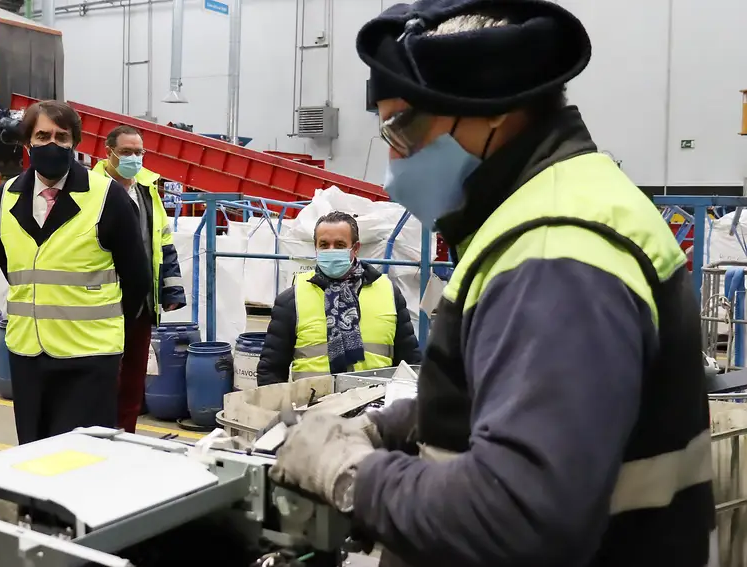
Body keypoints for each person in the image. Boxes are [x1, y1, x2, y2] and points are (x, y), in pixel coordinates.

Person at [269, 2, 716, 567]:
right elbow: (532, 397)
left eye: (401, 131)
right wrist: (405, 426)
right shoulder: (567, 202)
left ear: (490, 113)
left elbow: (519, 518)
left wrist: (354, 476)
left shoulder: (555, 254)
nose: (390, 161)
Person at [0, 100, 151, 444]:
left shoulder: (107, 197)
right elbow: (10, 265)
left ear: (75, 144)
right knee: (34, 454)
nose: (52, 144)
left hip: (89, 359)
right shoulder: (5, 196)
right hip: (27, 353)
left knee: (83, 462)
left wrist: (103, 329)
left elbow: (137, 280)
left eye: (62, 137)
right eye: (42, 135)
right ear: (27, 142)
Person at [91, 125, 186, 433]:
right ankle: (99, 437)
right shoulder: (91, 188)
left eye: (138, 152)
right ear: (109, 153)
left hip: (142, 301)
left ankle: (125, 437)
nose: (134, 158)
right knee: (104, 377)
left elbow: (163, 241)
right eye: (126, 152)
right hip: (103, 300)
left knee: (133, 377)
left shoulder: (147, 188)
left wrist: (171, 291)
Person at [256, 211, 420, 386]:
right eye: (324, 245)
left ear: (355, 248)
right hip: (312, 408)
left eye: (340, 245)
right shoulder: (292, 299)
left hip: (374, 406)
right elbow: (271, 370)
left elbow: (411, 364)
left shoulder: (388, 293)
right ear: (316, 248)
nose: (331, 250)